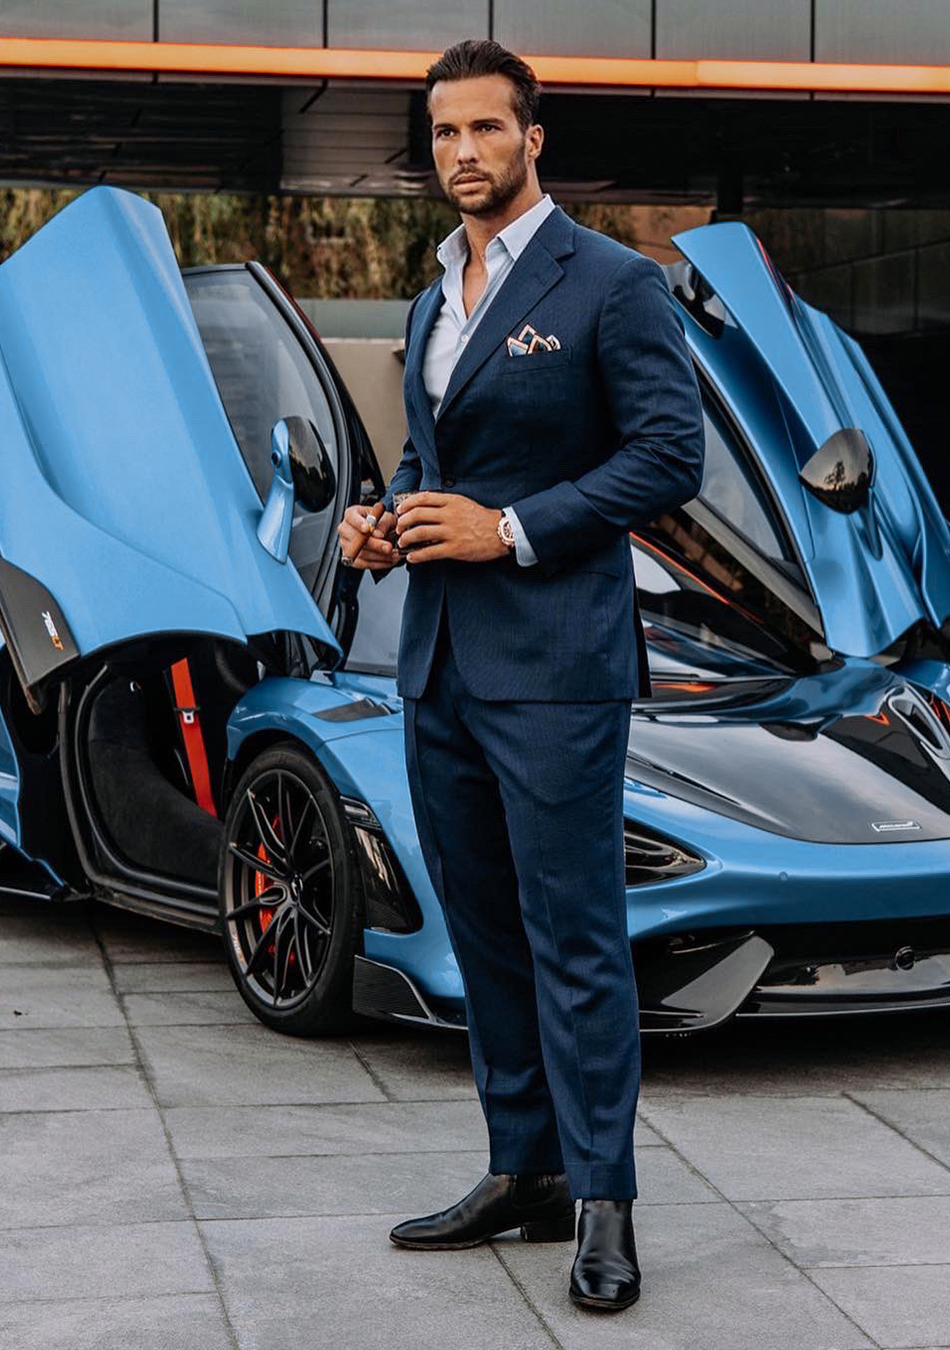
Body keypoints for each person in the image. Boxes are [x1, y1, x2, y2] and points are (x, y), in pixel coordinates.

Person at [336, 37, 705, 1313]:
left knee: (576, 941)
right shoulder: (432, 292)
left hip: (553, 667)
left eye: (485, 131)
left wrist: (512, 526)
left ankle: (606, 1202)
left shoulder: (609, 282)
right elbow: (432, 458)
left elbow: (668, 458)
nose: (462, 155)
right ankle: (523, 1169)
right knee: (485, 936)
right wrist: (382, 520)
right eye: (442, 135)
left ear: (531, 138)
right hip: (437, 664)